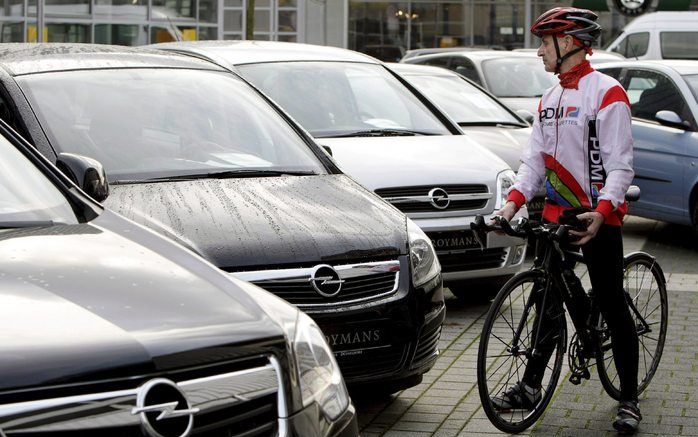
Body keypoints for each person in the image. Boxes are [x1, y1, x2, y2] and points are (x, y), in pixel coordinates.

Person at [492, 7, 641, 435]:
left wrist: (605, 209)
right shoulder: (551, 99)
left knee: (612, 302)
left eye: (544, 42)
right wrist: (509, 207)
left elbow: (621, 165)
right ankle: (530, 386)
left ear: (569, 42)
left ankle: (628, 397)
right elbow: (533, 162)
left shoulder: (606, 93)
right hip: (556, 214)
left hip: (596, 216)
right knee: (546, 297)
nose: (539, 52)